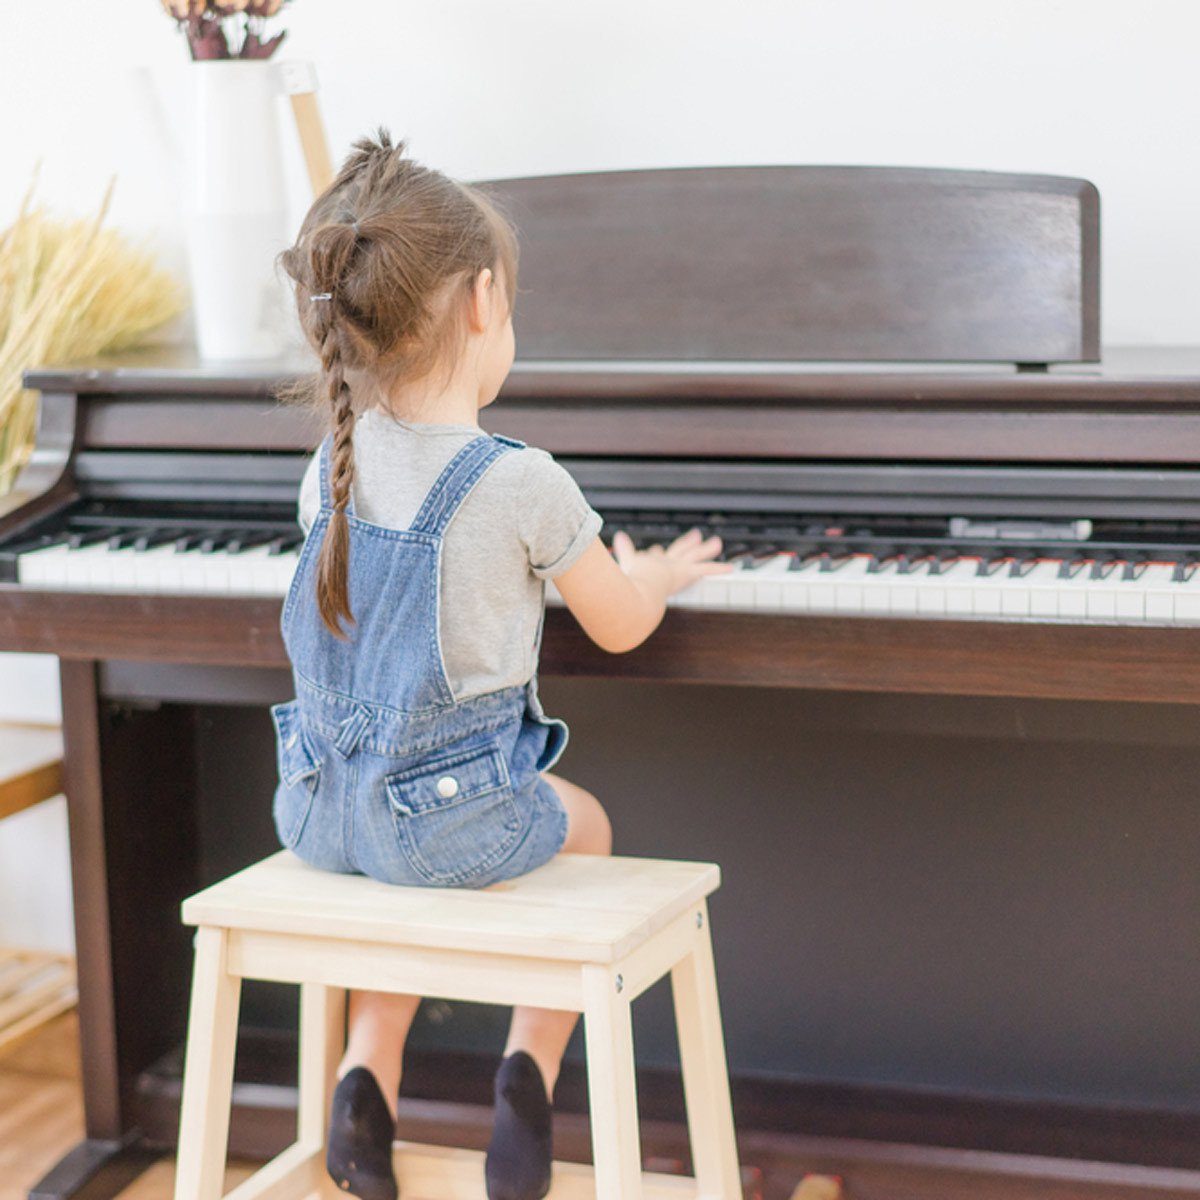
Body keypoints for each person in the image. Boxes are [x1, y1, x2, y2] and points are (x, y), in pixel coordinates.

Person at [273, 130, 728, 1200]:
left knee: (393, 859)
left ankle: (367, 1062)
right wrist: (654, 573)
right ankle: (530, 1067)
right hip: (450, 825)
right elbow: (620, 626)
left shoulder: (330, 462)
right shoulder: (521, 481)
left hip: (317, 809)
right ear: (483, 303)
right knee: (589, 823)